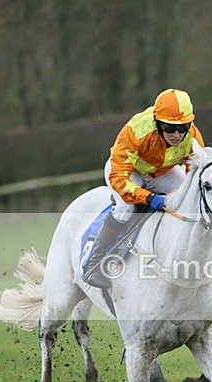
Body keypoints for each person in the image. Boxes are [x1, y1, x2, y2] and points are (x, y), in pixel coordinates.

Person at [82, 88, 204, 288]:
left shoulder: (192, 137)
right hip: (128, 171)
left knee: (190, 202)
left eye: (183, 128)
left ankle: (204, 260)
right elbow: (120, 179)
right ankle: (94, 262)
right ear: (157, 122)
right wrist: (148, 198)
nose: (177, 135)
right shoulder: (136, 131)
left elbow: (195, 174)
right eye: (169, 127)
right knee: (126, 209)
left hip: (163, 171)